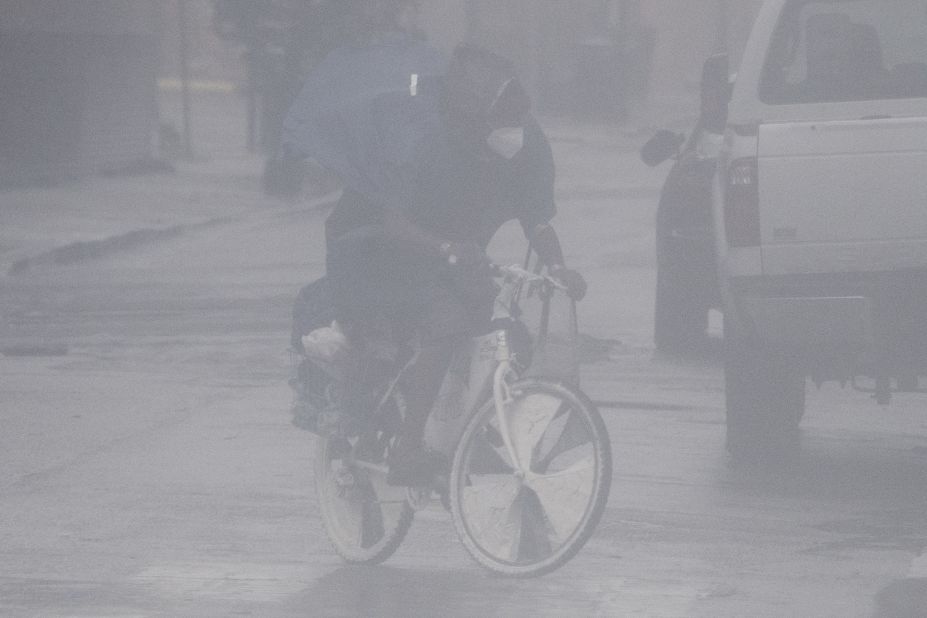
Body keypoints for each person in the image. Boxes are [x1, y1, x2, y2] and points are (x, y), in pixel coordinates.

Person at [283, 2, 586, 486]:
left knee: (496, 328)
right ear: (474, 119)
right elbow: (393, 222)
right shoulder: (423, 142)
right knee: (446, 324)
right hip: (378, 249)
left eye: (517, 121)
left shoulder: (525, 145)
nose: (512, 133)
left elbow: (537, 217)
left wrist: (558, 266)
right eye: (501, 123)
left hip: (449, 253)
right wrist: (447, 248)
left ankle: (461, 434)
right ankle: (407, 449)